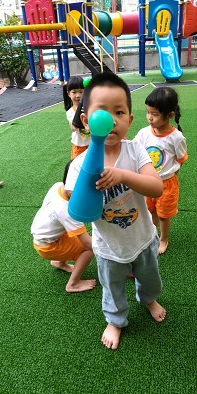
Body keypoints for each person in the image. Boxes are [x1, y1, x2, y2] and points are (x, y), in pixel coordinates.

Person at [64, 72, 166, 350]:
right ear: (86, 120)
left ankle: (148, 299)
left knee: (150, 279)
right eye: (102, 112)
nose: (110, 120)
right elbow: (77, 209)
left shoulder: (135, 151)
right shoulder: (79, 164)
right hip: (109, 247)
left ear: (129, 120)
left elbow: (156, 188)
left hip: (143, 239)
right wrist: (82, 189)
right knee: (112, 288)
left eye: (119, 112)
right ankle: (115, 319)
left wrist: (123, 175)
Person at [133, 87, 187, 254]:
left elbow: (181, 159)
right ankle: (151, 233)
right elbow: (134, 148)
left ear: (170, 115)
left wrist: (171, 175)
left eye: (154, 114)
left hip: (167, 184)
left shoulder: (176, 137)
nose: (149, 117)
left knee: (164, 214)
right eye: (148, 112)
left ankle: (163, 239)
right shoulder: (144, 133)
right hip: (148, 182)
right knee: (150, 210)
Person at [31, 161, 96, 293]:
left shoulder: (57, 186)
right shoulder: (67, 211)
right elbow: (88, 244)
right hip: (49, 247)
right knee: (89, 249)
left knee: (72, 234)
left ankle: (59, 262)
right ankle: (73, 284)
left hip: (46, 236)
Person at [63, 76, 90, 159]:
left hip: (93, 144)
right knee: (77, 165)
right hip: (79, 146)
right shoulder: (70, 112)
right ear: (68, 94)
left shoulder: (91, 108)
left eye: (81, 92)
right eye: (74, 92)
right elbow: (73, 128)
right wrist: (81, 114)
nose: (78, 95)